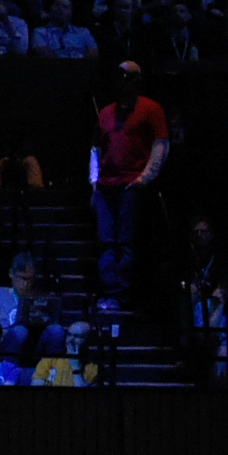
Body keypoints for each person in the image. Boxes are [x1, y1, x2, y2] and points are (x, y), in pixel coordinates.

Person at [92, 60, 170, 296]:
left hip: (130, 185)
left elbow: (161, 145)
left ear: (138, 80)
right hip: (106, 187)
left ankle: (123, 291)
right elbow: (96, 148)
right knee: (107, 240)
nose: (123, 82)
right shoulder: (106, 113)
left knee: (127, 242)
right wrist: (94, 181)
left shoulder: (151, 109)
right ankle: (109, 289)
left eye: (128, 77)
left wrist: (144, 178)